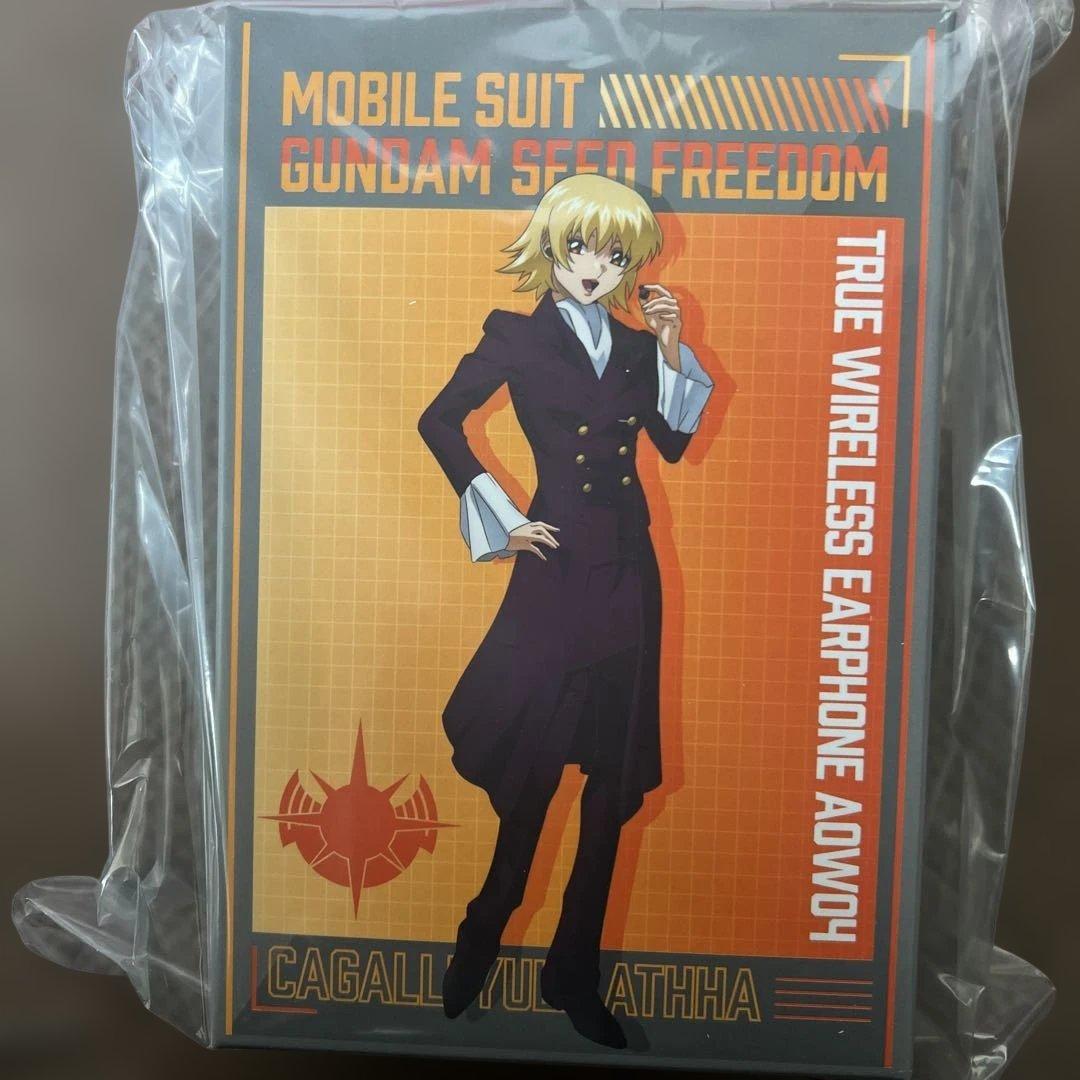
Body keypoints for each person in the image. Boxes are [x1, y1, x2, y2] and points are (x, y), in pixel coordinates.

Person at [417, 174, 716, 1048]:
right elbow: (439, 421)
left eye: (615, 255)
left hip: (628, 571)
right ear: (550, 245)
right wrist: (502, 520)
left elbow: (674, 442)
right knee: (538, 766)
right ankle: (485, 925)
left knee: (612, 783)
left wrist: (672, 346)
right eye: (581, 247)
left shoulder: (636, 347)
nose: (595, 267)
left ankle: (572, 972)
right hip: (555, 574)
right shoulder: (515, 336)